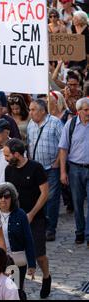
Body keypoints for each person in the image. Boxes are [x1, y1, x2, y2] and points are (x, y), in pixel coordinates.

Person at [4, 138, 52, 298]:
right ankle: (17, 289)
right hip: (15, 217)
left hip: (35, 218)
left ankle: (46, 276)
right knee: (15, 254)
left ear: (16, 154)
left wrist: (31, 214)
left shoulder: (35, 168)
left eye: (7, 155)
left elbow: (45, 193)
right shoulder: (8, 170)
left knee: (39, 254)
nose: (5, 158)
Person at [27, 99, 63, 242]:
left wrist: (57, 163)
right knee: (37, 198)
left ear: (42, 111)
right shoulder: (31, 124)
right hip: (36, 169)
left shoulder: (55, 123)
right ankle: (40, 226)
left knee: (52, 199)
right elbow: (30, 144)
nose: (30, 113)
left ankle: (50, 229)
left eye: (33, 109)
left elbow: (63, 145)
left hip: (51, 168)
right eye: (30, 109)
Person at [0, 183, 36, 299]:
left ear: (12, 198)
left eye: (6, 196)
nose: (3, 199)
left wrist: (32, 264)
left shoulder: (20, 215)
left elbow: (28, 240)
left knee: (14, 290)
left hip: (16, 261)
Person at [58, 97, 89, 246]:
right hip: (75, 168)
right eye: (86, 110)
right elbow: (63, 149)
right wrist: (63, 172)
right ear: (79, 111)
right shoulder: (70, 125)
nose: (88, 113)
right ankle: (80, 232)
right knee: (77, 203)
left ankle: (88, 234)